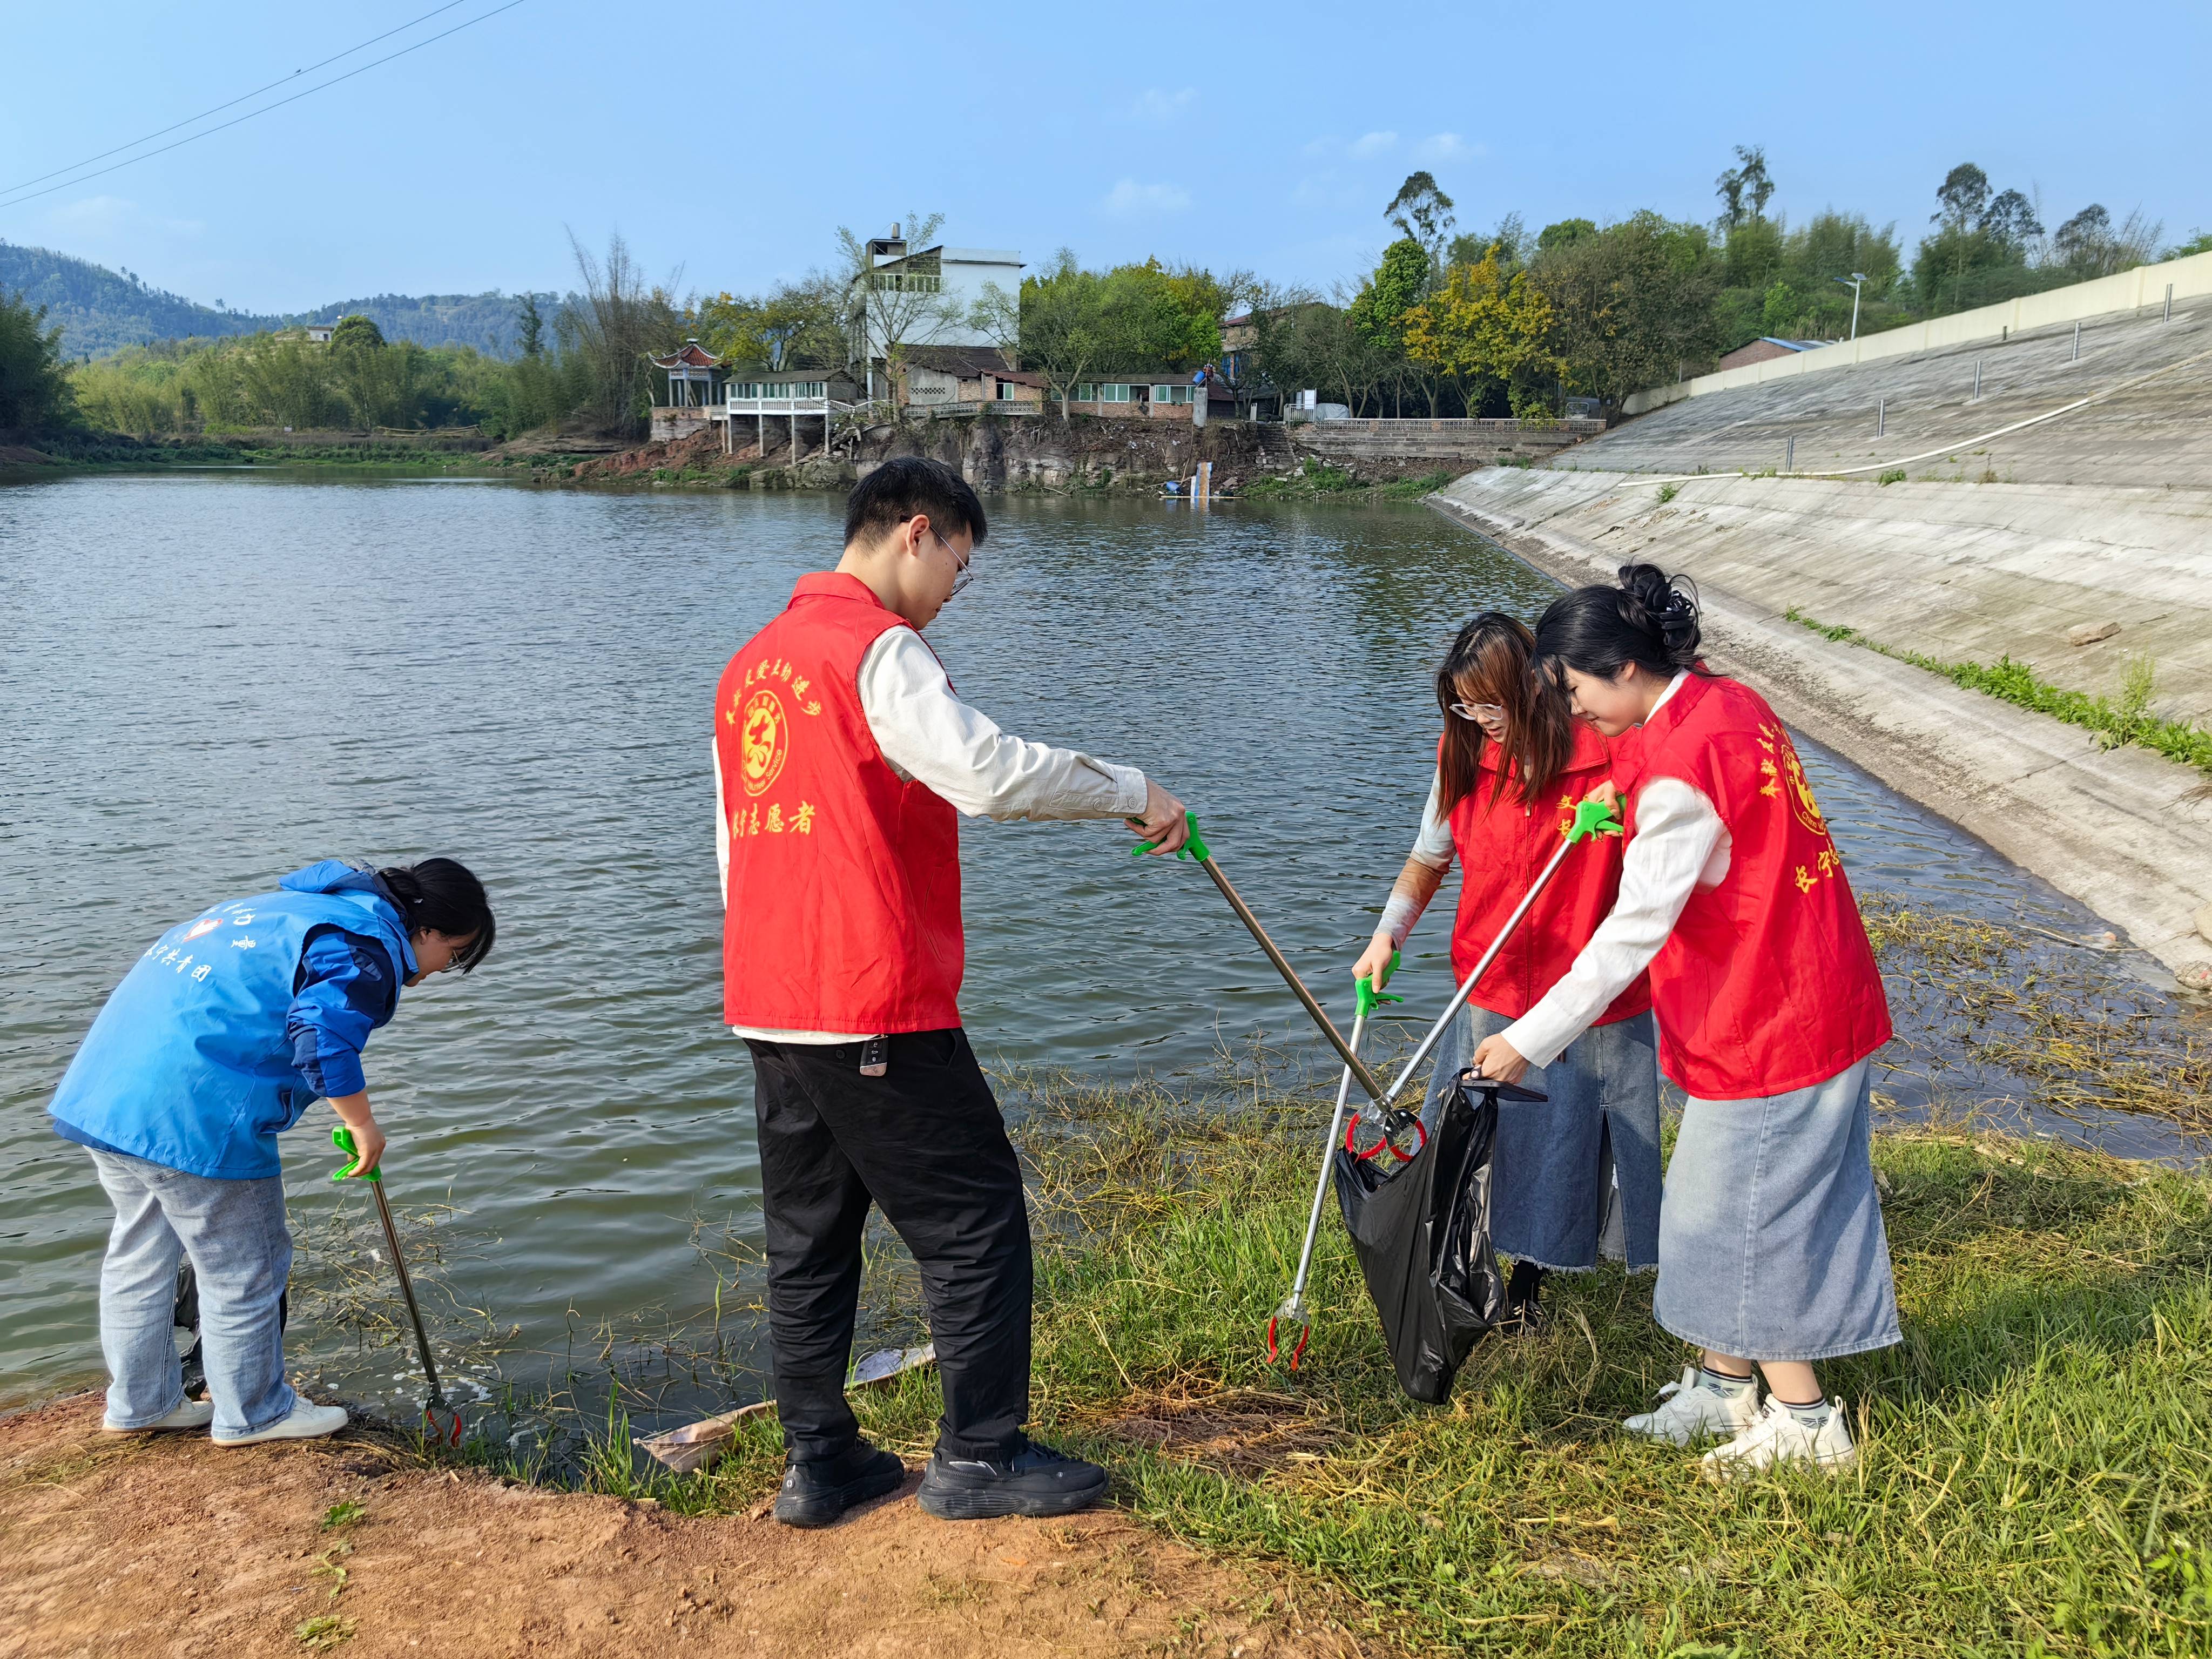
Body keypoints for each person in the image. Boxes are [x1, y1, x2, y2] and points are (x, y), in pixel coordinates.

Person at [714, 457, 1190, 1529]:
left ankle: (821, 1461)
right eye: (957, 572)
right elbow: (981, 774)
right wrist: (1126, 790)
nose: (948, 598)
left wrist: (762, 980)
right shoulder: (875, 648)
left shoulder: (750, 665)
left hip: (769, 993)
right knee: (973, 1217)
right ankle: (978, 1455)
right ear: (915, 533)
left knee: (807, 1235)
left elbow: (733, 848)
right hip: (868, 994)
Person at [1469, 565, 1898, 1476]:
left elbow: (1627, 939)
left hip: (1780, 1018)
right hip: (1779, 993)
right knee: (1713, 1204)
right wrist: (1607, 796)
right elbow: (1658, 763)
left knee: (1742, 1220)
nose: (1577, 715)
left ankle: (1808, 1423)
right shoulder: (1717, 699)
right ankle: (1722, 1385)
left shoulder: (1677, 776)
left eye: (1577, 693)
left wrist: (1524, 1042)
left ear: (1622, 668)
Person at [49, 858, 494, 1446]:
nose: (444, 969)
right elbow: (322, 1034)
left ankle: (142, 1403)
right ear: (429, 931)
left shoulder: (286, 910)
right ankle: (255, 1414)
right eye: (456, 954)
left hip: (106, 1093)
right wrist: (362, 1124)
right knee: (246, 1267)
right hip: (193, 1112)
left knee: (140, 1253)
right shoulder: (361, 947)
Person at [1351, 613, 1660, 1332]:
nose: (1478, 719)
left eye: (1489, 704)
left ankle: (1531, 1284)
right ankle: (1464, 1274)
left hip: (1590, 994)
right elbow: (1430, 857)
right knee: (1484, 1136)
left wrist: (1626, 817)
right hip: (1490, 985)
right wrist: (1386, 934)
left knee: (1571, 1140)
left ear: (1531, 688)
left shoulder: (1607, 755)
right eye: (1463, 705)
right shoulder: (1461, 753)